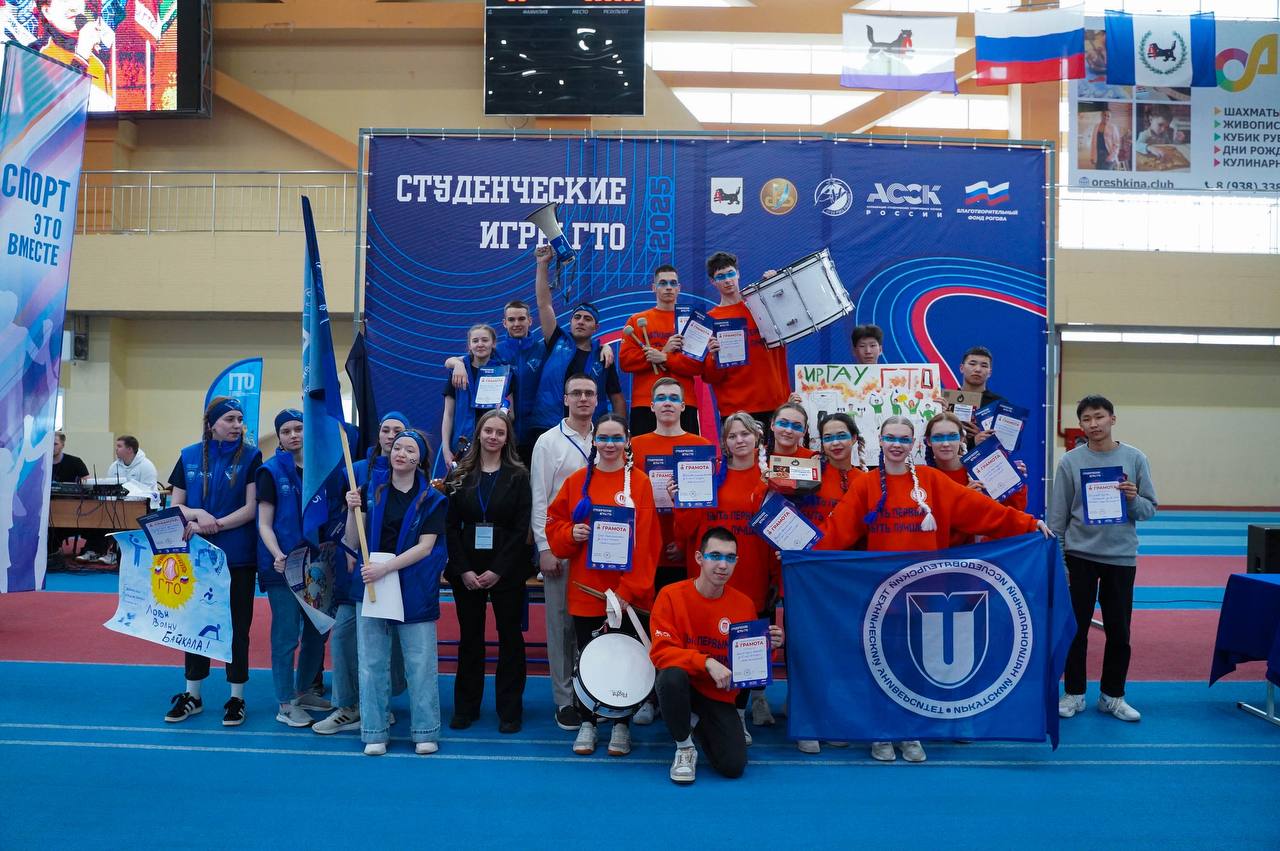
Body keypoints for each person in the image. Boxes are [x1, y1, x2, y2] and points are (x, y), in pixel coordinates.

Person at [818, 415, 1051, 764]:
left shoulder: (932, 481)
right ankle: (881, 732)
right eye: (890, 438)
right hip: (883, 598)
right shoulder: (865, 485)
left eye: (903, 439)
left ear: (913, 444)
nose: (896, 445)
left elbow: (983, 511)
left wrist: (1028, 524)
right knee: (881, 666)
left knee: (916, 667)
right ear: (880, 441)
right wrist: (799, 555)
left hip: (924, 598)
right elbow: (837, 532)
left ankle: (911, 731)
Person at [546, 413, 660, 757]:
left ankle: (621, 724)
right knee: (588, 658)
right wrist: (572, 533)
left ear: (627, 441)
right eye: (604, 438)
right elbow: (555, 527)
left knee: (624, 661)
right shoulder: (577, 481)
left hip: (626, 596)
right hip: (587, 591)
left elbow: (648, 543)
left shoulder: (640, 483)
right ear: (594, 440)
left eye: (616, 438)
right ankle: (588, 721)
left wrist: (627, 592)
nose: (610, 444)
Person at [1050, 395, 1157, 724]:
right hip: (1079, 557)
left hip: (1120, 557)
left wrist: (1132, 498)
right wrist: (1061, 562)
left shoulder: (1135, 458)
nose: (1093, 424)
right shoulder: (1070, 462)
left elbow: (1149, 510)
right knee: (1075, 630)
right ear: (1080, 425)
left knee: (1119, 632)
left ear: (1113, 419)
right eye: (1086, 419)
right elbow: (1057, 519)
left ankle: (1113, 696)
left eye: (1099, 417)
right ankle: (1074, 693)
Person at [671, 412, 776, 743]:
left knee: (745, 650)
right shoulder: (707, 475)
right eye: (732, 435)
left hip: (751, 577)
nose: (739, 440)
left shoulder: (771, 478)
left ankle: (739, 714)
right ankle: (699, 709)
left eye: (745, 434)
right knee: (705, 644)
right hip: (707, 582)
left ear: (757, 438)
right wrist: (680, 501)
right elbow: (685, 531)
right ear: (724, 443)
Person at [650, 527, 785, 784]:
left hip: (717, 694)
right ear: (699, 558)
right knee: (670, 677)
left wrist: (770, 647)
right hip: (683, 684)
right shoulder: (670, 595)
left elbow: (749, 667)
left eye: (730, 558)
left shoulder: (744, 605)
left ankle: (696, 720)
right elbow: (661, 653)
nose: (723, 565)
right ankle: (684, 746)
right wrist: (706, 662)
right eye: (715, 556)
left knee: (733, 766)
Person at [344, 429, 448, 756]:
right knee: (371, 662)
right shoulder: (370, 491)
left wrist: (386, 568)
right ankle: (374, 731)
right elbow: (352, 540)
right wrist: (351, 510)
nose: (401, 453)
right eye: (397, 448)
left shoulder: (434, 499)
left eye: (410, 449)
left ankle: (425, 730)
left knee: (420, 663)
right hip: (372, 583)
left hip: (413, 584)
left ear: (420, 459)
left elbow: (425, 547)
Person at [163, 397, 263, 726]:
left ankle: (236, 698)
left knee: (237, 627)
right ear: (211, 424)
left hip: (237, 557)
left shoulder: (252, 456)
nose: (237, 425)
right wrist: (197, 514)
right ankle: (193, 694)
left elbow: (251, 509)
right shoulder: (188, 455)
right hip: (197, 557)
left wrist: (214, 524)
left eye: (240, 420)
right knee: (195, 624)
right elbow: (176, 506)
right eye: (230, 419)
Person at [314, 411, 409, 736]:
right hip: (357, 571)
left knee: (389, 641)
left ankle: (380, 703)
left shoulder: (411, 473)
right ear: (378, 434)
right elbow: (339, 515)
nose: (391, 436)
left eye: (398, 431)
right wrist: (347, 544)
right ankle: (347, 705)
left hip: (393, 570)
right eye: (386, 430)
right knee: (343, 635)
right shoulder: (355, 472)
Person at [443, 410, 533, 734]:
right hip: (466, 568)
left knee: (510, 638)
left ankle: (510, 710)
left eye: (500, 432)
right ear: (479, 434)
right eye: (488, 431)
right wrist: (464, 569)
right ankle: (466, 707)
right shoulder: (458, 475)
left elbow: (521, 528)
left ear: (507, 439)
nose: (493, 437)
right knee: (470, 638)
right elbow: (450, 527)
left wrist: (498, 570)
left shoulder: (519, 476)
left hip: (506, 569)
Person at [529, 374, 596, 732]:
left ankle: (591, 692)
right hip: (561, 544)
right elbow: (540, 498)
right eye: (577, 393)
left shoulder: (608, 437)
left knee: (592, 625)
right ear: (566, 399)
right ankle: (564, 699)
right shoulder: (548, 442)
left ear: (597, 400)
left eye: (589, 393)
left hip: (601, 548)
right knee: (560, 625)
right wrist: (545, 547)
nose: (583, 398)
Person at [256, 409, 331, 727]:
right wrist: (277, 554)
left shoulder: (322, 468)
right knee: (286, 635)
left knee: (318, 631)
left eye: (299, 428)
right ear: (279, 437)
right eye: (286, 431)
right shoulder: (270, 472)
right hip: (283, 565)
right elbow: (264, 523)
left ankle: (304, 691)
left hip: (317, 564)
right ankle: (285, 702)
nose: (294, 435)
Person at [528, 245, 624, 438]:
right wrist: (542, 264)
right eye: (577, 317)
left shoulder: (603, 356)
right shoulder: (556, 340)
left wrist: (622, 432)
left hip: (588, 430)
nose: (581, 321)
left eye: (587, 319)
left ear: (596, 327)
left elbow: (617, 397)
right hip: (548, 425)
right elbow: (544, 303)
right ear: (570, 322)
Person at [630, 377, 714, 595]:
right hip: (646, 548)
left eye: (674, 398)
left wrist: (683, 543)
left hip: (688, 550)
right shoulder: (634, 446)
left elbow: (705, 507)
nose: (667, 402)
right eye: (661, 398)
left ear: (683, 406)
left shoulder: (701, 446)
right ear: (652, 406)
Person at [445, 300, 547, 465]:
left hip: (534, 430)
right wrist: (456, 364)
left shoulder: (543, 350)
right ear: (504, 323)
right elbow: (460, 360)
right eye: (511, 319)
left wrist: (604, 347)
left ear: (530, 320)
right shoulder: (495, 351)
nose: (516, 323)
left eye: (521, 319)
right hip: (498, 438)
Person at [701, 252, 790, 429]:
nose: (727, 280)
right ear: (712, 281)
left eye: (730, 273)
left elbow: (793, 317)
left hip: (777, 404)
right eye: (720, 276)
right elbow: (710, 377)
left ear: (738, 274)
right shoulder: (710, 320)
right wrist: (713, 356)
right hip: (736, 411)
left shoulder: (763, 304)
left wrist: (774, 286)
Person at [619, 265, 703, 436]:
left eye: (673, 283)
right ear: (654, 287)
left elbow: (697, 365)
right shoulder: (637, 320)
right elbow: (626, 361)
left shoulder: (692, 321)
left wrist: (664, 357)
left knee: (685, 453)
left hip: (683, 402)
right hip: (645, 402)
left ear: (679, 288)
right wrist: (663, 350)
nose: (668, 287)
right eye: (663, 283)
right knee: (644, 452)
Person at [924, 412, 1027, 547]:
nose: (946, 443)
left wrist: (1015, 482)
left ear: (962, 439)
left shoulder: (980, 469)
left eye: (952, 436)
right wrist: (964, 500)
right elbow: (929, 531)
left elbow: (1011, 514)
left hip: (980, 554)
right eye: (938, 437)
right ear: (928, 441)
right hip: (942, 554)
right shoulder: (924, 478)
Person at [441, 323, 510, 467]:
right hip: (461, 448)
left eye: (485, 340)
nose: (480, 344)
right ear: (469, 345)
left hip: (492, 447)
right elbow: (448, 414)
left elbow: (511, 413)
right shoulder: (457, 372)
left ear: (493, 343)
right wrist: (446, 449)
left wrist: (503, 412)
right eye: (475, 341)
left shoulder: (503, 373)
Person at [34, 0, 115, 110]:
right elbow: (58, 111)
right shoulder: (35, 53)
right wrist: (81, 56)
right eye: (65, 1)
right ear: (47, 11)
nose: (73, 7)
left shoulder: (100, 52)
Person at [956, 346, 1004, 442]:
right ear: (961, 368)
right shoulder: (945, 401)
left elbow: (1006, 443)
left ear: (990, 372)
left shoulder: (1000, 404)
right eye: (972, 364)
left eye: (984, 366)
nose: (978, 369)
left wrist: (983, 437)